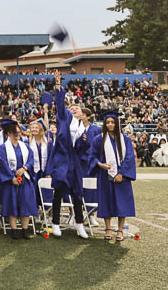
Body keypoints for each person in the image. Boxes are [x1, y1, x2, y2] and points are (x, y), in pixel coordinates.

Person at [44, 71, 89, 239]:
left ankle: (79, 224)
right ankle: (55, 223)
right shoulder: (64, 119)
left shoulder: (82, 127)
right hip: (63, 160)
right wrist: (57, 85)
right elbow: (60, 104)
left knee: (77, 193)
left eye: (77, 108)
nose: (74, 109)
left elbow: (82, 149)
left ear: (82, 114)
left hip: (74, 161)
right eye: (72, 107)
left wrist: (83, 142)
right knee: (59, 192)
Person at [89, 110, 136, 242]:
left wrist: (122, 173)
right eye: (108, 122)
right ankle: (108, 228)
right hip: (105, 176)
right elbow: (92, 156)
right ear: (105, 124)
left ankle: (120, 230)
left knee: (123, 203)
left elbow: (129, 158)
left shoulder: (125, 139)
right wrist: (100, 164)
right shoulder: (99, 139)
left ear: (117, 123)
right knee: (106, 201)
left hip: (122, 177)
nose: (110, 124)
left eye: (113, 122)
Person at [0, 119, 37, 240]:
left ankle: (25, 230)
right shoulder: (3, 148)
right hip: (10, 181)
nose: (18, 136)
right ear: (8, 133)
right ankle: (13, 230)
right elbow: (2, 163)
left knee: (26, 203)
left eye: (19, 133)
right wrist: (11, 177)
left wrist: (24, 168)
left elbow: (31, 159)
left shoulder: (25, 146)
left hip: (25, 179)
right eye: (15, 134)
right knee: (11, 204)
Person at [75, 108, 102, 227]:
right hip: (79, 161)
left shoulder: (96, 129)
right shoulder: (76, 127)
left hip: (91, 162)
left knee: (91, 188)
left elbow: (99, 145)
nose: (81, 116)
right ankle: (77, 214)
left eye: (84, 115)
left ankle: (91, 215)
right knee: (78, 187)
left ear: (88, 116)